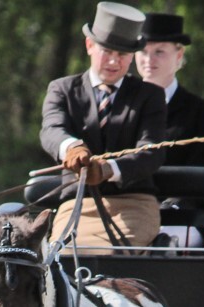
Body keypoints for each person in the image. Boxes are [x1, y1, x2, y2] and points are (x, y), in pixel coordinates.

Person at [40, 2, 166, 254]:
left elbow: (152, 151)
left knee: (114, 258)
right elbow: (51, 129)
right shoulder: (62, 89)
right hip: (77, 202)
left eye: (122, 55)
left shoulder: (150, 95)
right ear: (89, 46)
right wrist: (71, 147)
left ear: (132, 57)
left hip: (134, 203)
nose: (113, 61)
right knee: (63, 256)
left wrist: (110, 169)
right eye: (107, 51)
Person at [136, 12, 204, 248]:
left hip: (180, 215)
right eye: (143, 51)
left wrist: (169, 206)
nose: (149, 59)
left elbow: (200, 172)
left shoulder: (199, 110)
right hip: (131, 208)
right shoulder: (123, 105)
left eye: (159, 51)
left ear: (178, 54)